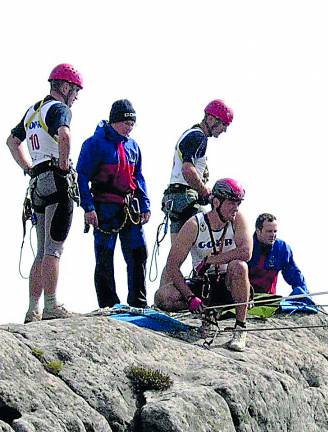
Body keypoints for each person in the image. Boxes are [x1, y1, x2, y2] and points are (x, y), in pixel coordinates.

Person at [6, 63, 83, 322]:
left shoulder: (33, 111)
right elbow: (64, 136)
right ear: (64, 87)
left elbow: (12, 141)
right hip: (56, 179)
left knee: (41, 250)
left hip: (37, 181)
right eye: (74, 91)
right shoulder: (59, 109)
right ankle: (51, 305)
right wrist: (63, 165)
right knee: (54, 248)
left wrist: (27, 167)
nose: (75, 97)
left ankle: (32, 308)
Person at [154, 178, 252, 351]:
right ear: (216, 202)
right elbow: (173, 265)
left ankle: (240, 328)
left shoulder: (237, 219)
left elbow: (246, 252)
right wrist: (190, 297)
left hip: (230, 283)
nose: (236, 208)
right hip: (205, 285)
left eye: (238, 203)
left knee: (239, 266)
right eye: (231, 203)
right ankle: (209, 314)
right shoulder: (194, 224)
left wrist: (211, 260)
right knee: (163, 296)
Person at [77, 99, 151, 309]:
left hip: (129, 206)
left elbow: (138, 177)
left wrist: (145, 204)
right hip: (104, 207)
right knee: (104, 257)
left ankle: (138, 301)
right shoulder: (94, 144)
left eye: (132, 124)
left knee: (138, 253)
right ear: (115, 121)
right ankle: (108, 304)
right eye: (127, 123)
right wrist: (88, 207)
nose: (130, 128)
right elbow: (82, 176)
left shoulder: (133, 146)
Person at [162, 100, 234, 236]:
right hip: (185, 197)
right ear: (211, 119)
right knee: (214, 233)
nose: (224, 129)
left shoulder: (190, 133)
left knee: (178, 248)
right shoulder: (199, 137)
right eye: (223, 124)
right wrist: (205, 192)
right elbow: (187, 169)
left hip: (174, 198)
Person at [248, 213, 309, 296]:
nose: (273, 235)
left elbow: (295, 276)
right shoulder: (246, 246)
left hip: (268, 299)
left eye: (275, 231)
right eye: (269, 231)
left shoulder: (282, 248)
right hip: (245, 299)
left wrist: (303, 294)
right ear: (258, 231)